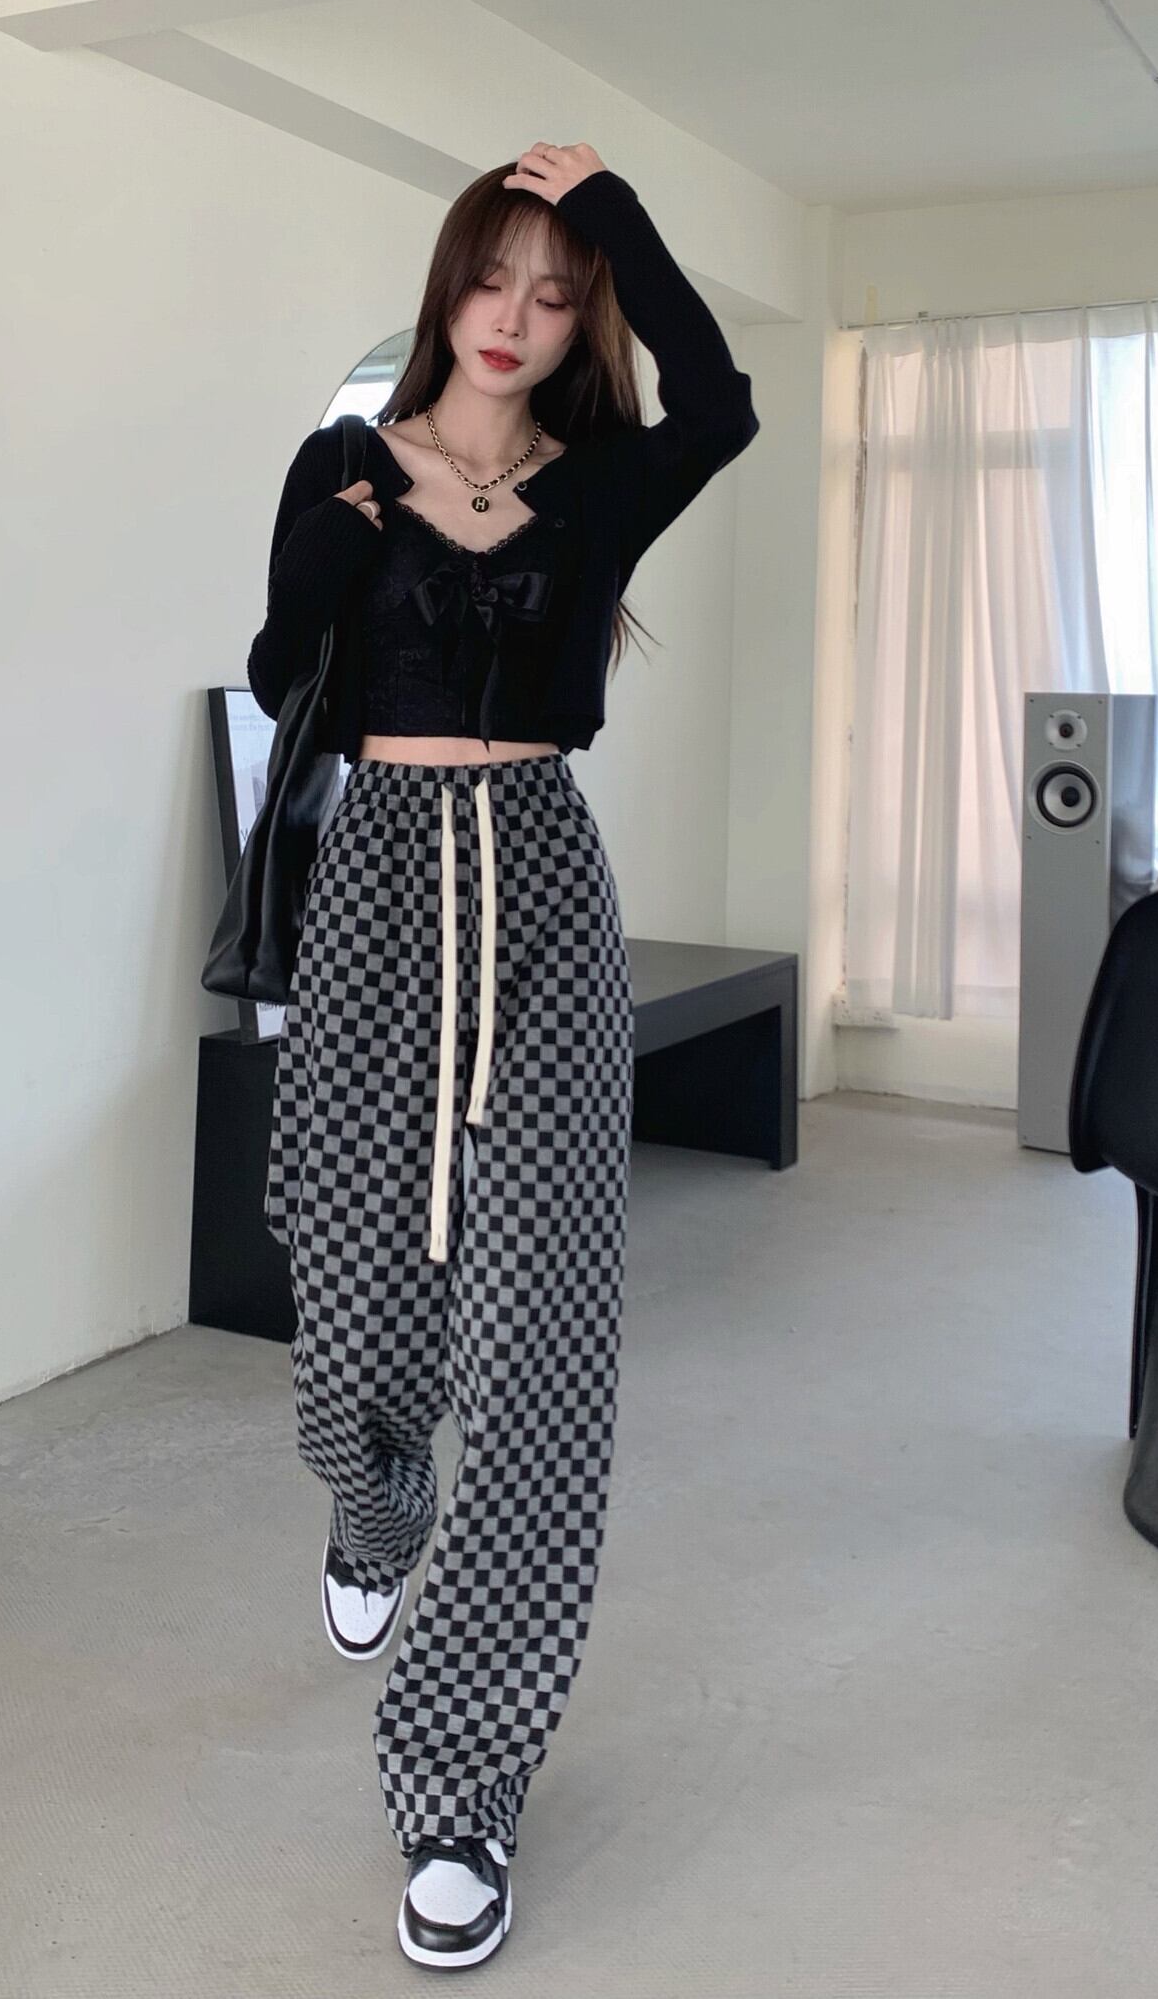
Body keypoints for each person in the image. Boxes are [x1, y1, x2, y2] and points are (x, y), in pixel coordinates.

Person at [246, 139, 759, 1969]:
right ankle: (373, 1499)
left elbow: (726, 403)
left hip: (540, 889)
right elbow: (278, 673)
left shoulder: (601, 484)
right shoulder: (342, 463)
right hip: (378, 889)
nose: (516, 319)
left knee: (542, 1344)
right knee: (351, 1280)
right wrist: (324, 566)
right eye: (494, 278)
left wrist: (614, 212)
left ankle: (460, 1786)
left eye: (556, 292)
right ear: (445, 285)